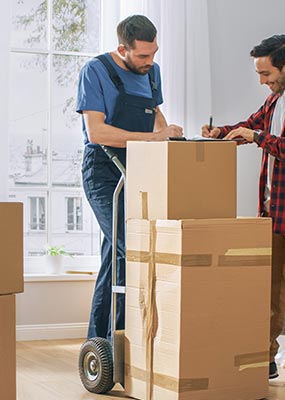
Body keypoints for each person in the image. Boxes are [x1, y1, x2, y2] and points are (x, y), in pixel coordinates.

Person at [202, 34, 285, 397]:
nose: (262, 80)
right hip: (273, 212)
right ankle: (266, 358)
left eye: (266, 73)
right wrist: (223, 132)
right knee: (269, 289)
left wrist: (257, 136)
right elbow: (251, 125)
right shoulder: (276, 100)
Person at [76, 15, 183, 340]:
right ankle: (130, 336)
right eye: (142, 56)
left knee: (116, 254)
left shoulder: (153, 73)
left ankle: (105, 341)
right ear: (122, 48)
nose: (150, 62)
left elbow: (154, 117)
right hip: (103, 170)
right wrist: (155, 138)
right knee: (131, 245)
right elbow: (97, 132)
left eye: (154, 54)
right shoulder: (95, 71)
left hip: (138, 167)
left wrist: (171, 135)